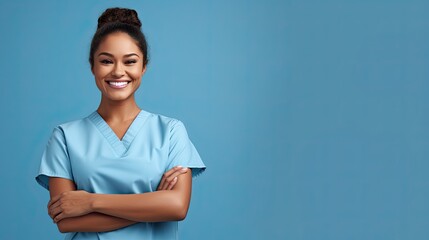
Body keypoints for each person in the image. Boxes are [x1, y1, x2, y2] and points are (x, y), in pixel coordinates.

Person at [35, 7, 206, 240]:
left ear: (143, 66)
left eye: (130, 61)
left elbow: (177, 207)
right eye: (106, 61)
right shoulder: (64, 137)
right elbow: (66, 222)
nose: (118, 72)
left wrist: (91, 201)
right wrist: (153, 204)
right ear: (92, 66)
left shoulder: (171, 132)